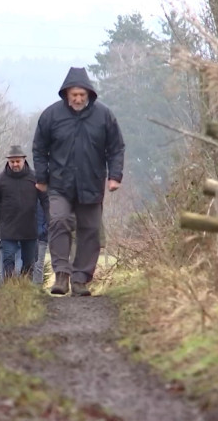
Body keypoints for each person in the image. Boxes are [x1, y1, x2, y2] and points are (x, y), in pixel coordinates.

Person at [33, 67, 125, 296]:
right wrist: (41, 178)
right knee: (59, 221)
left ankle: (80, 279)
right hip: (59, 184)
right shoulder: (51, 116)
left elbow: (116, 148)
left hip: (91, 184)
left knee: (90, 230)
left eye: (82, 95)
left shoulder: (104, 116)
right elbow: (39, 148)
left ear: (89, 94)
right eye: (74, 94)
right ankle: (61, 275)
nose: (78, 99)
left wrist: (115, 176)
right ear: (66, 94)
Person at [0, 145, 48, 281]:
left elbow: (45, 201)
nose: (15, 164)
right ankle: (10, 288)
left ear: (24, 160)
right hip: (8, 229)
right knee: (7, 260)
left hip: (30, 228)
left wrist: (50, 221)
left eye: (17, 161)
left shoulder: (34, 178)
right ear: (8, 161)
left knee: (29, 263)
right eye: (12, 162)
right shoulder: (0, 180)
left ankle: (25, 289)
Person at [32, 197, 49, 287]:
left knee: (38, 264)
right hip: (29, 235)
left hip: (42, 237)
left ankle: (37, 287)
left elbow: (49, 217)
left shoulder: (45, 199)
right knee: (30, 263)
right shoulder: (30, 198)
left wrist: (44, 230)